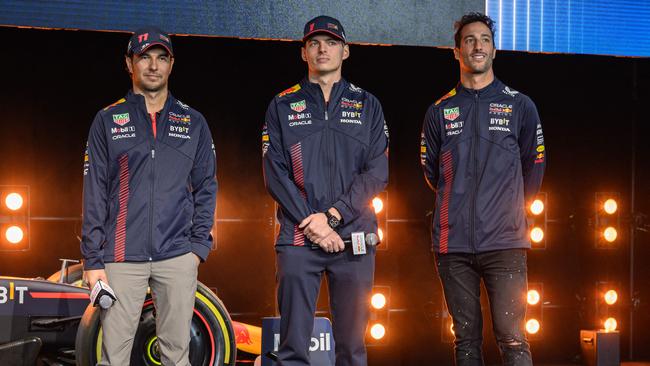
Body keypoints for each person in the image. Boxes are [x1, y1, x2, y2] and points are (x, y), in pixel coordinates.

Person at [81, 27, 217, 365]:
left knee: (176, 356)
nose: (153, 66)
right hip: (121, 257)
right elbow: (94, 190)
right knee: (114, 359)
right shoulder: (108, 120)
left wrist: (197, 249)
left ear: (171, 64)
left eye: (161, 57)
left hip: (177, 256)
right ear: (129, 63)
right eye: (144, 57)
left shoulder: (193, 121)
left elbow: (207, 187)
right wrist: (93, 259)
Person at [262, 15, 389, 366]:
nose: (323, 50)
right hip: (299, 239)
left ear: (345, 51)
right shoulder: (282, 105)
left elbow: (376, 173)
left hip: (354, 238)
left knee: (352, 349)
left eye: (331, 43)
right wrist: (311, 223)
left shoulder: (368, 105)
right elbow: (275, 174)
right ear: (304, 53)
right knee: (292, 351)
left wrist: (332, 217)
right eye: (314, 43)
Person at [420, 12, 546, 366]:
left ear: (494, 50)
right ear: (456, 51)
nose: (477, 46)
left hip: (505, 243)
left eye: (484, 40)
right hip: (452, 245)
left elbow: (534, 166)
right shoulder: (439, 111)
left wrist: (509, 211)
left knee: (513, 339)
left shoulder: (519, 105)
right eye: (470, 40)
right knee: (466, 342)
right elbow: (432, 172)